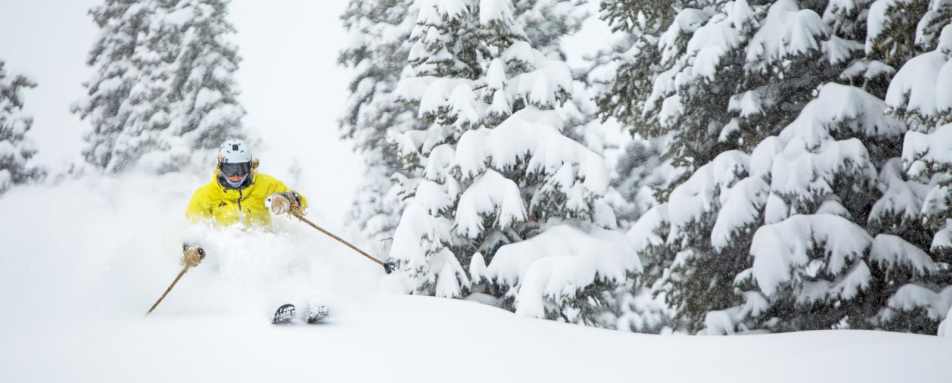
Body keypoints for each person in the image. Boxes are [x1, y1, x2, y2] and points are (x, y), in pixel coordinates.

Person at [182, 139, 308, 267]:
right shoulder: (205, 195)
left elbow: (300, 201)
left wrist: (287, 200)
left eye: (241, 169)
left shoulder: (265, 184)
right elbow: (193, 228)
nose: (236, 176)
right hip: (227, 260)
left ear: (250, 166)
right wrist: (191, 250)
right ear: (220, 167)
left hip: (266, 254)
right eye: (230, 170)